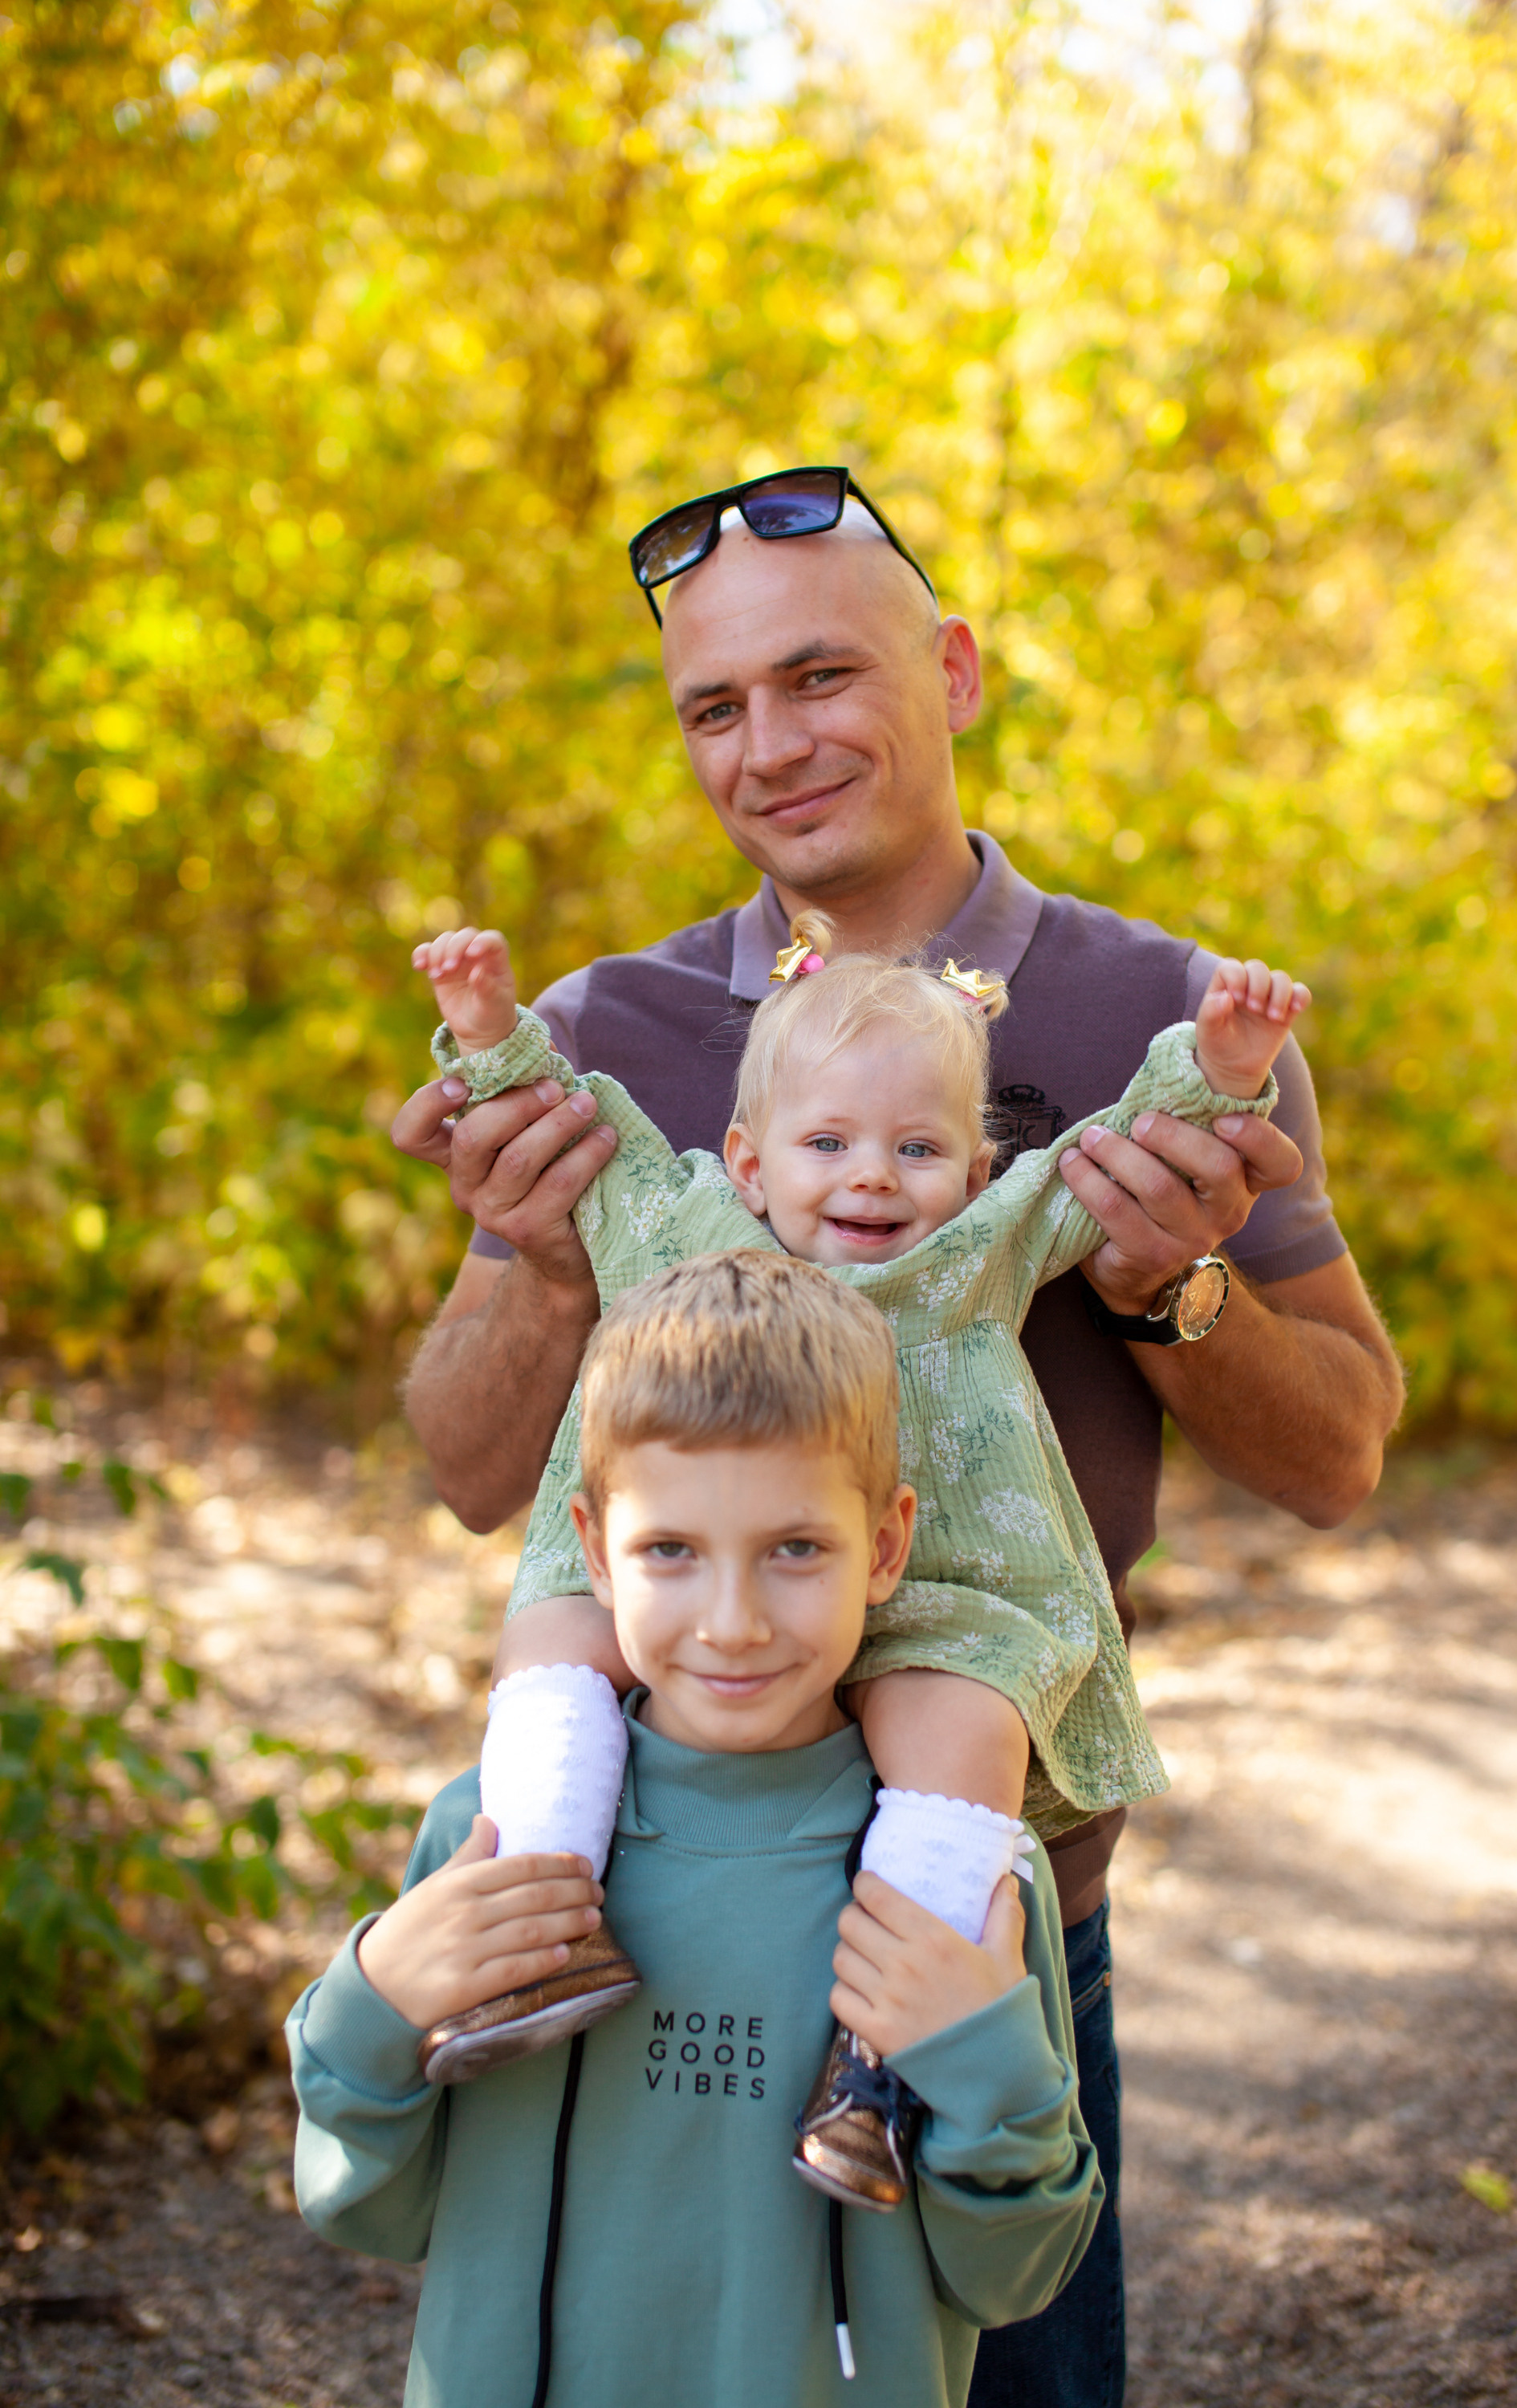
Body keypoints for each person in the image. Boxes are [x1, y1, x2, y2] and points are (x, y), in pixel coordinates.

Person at [391, 467, 1405, 2408]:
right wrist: (541, 1271)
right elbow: (463, 1470)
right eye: (713, 707)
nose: (767, 747)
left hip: (986, 1919)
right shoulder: (603, 1033)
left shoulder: (1169, 1013)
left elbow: (1340, 1457)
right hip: (644, 1914)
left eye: (818, 677)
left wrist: (1169, 1289)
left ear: (949, 671)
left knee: (1003, 2365)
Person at [406, 913, 1303, 2219]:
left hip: (933, 1596)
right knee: (551, 1647)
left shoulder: (977, 1249)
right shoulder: (681, 1222)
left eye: (917, 1150)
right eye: (828, 1145)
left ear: (977, 1170)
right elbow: (562, 1121)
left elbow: (1121, 1160)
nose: (873, 1178)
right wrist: (489, 1032)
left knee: (967, 1737)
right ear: (749, 1161)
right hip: (690, 1587)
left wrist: (1219, 1071)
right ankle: (539, 1924)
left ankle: (880, 2062)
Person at [289, 1254, 1104, 2408]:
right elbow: (367, 2210)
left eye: (796, 1549)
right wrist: (372, 2006)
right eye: (670, 1550)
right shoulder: (495, 1838)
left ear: (884, 1548)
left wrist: (981, 2059)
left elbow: (1013, 2277)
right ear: (594, 1547)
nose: (733, 1624)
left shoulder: (963, 1878)